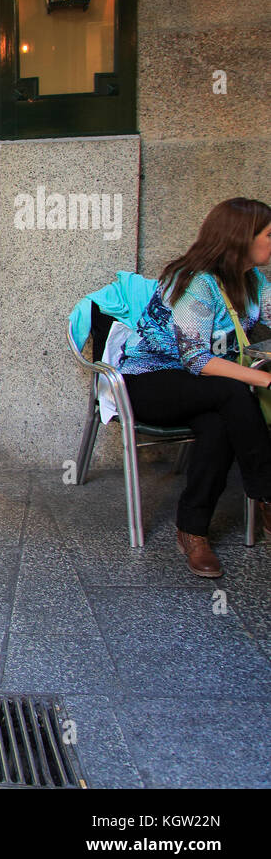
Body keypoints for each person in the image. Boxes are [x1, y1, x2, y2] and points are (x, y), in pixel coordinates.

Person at [118, 198, 271, 578]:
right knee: (235, 393)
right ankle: (267, 493)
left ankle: (193, 530)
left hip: (207, 390)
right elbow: (196, 360)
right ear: (241, 238)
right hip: (151, 381)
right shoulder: (197, 281)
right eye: (269, 234)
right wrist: (266, 378)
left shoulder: (255, 280)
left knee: (221, 421)